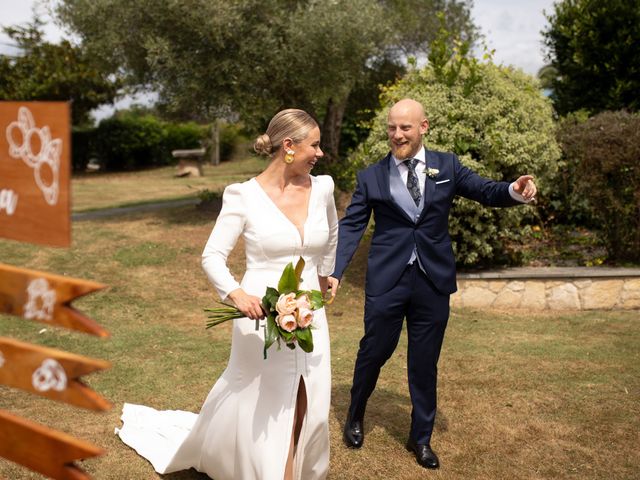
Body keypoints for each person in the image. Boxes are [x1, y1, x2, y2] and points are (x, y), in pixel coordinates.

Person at [116, 109, 339, 480]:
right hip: (260, 314)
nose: (320, 153)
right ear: (288, 146)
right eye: (314, 145)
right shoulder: (243, 196)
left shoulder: (324, 188)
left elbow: (330, 234)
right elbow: (212, 256)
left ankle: (300, 468)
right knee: (267, 398)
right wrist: (236, 294)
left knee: (310, 394)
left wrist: (326, 274)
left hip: (310, 312)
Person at [327, 98, 537, 470]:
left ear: (423, 127)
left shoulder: (448, 165)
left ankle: (420, 437)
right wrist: (335, 270)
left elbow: (485, 190)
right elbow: (352, 226)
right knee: (374, 351)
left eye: (405, 127)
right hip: (387, 280)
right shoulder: (371, 177)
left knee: (424, 363)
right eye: (392, 127)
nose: (397, 134)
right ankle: (355, 416)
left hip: (432, 280)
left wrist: (513, 190)